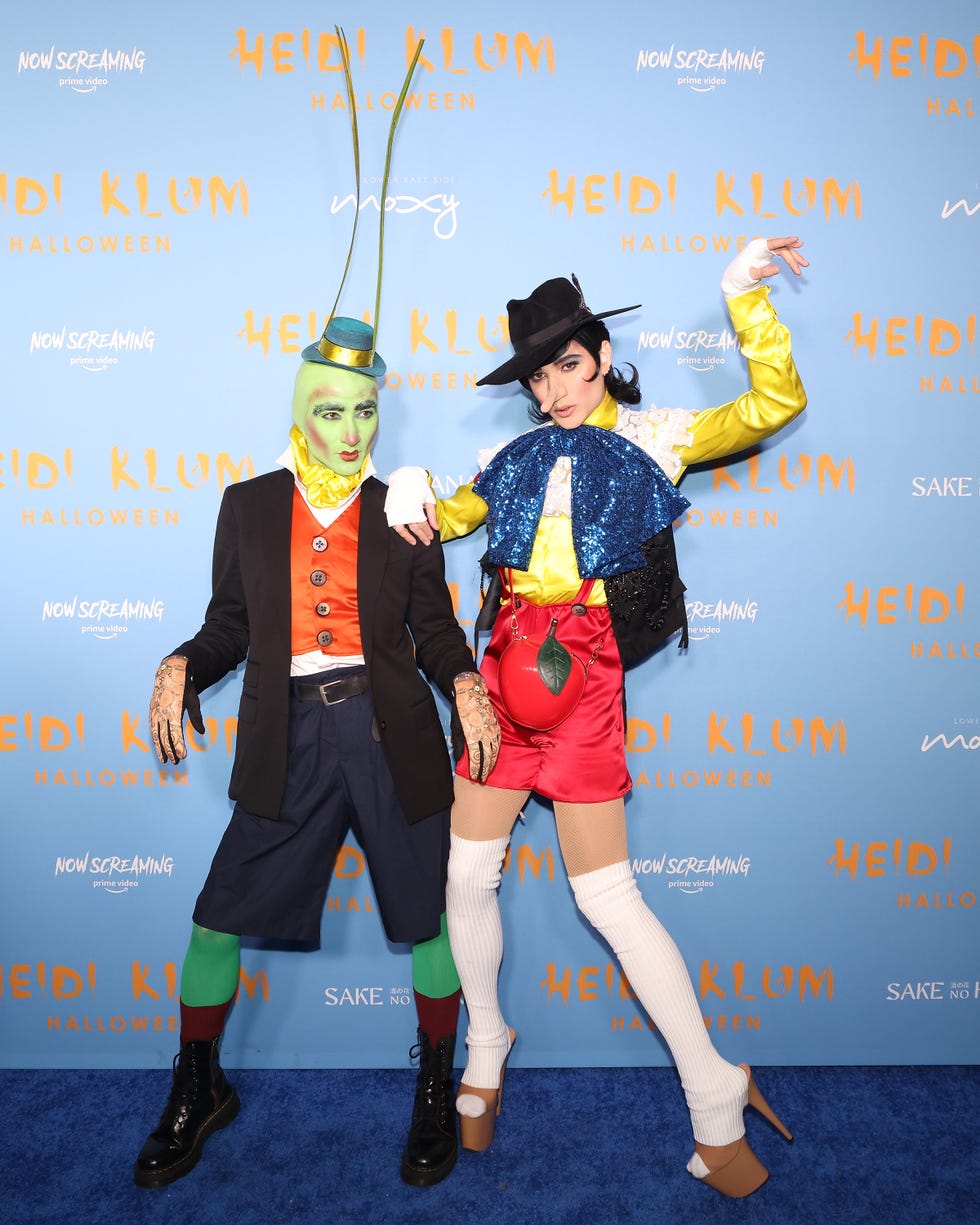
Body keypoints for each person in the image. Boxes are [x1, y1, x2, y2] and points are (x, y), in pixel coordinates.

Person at [385, 236, 808, 1197]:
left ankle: (713, 1089)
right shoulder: (509, 453)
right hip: (498, 688)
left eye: (568, 365)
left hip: (583, 691)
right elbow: (442, 517)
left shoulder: (655, 437)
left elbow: (774, 405)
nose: (554, 390)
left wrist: (742, 296)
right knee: (463, 875)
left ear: (601, 357)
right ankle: (486, 1045)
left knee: (606, 897)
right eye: (538, 376)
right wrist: (405, 489)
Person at [133, 316, 500, 1191]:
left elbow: (437, 630)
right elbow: (231, 624)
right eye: (332, 411)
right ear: (303, 411)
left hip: (389, 734)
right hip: (286, 736)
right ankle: (199, 1085)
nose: (350, 431)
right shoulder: (248, 505)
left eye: (365, 411)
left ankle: (433, 1089)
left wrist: (466, 684)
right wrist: (180, 660)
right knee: (215, 916)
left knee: (428, 916)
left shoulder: (405, 512)